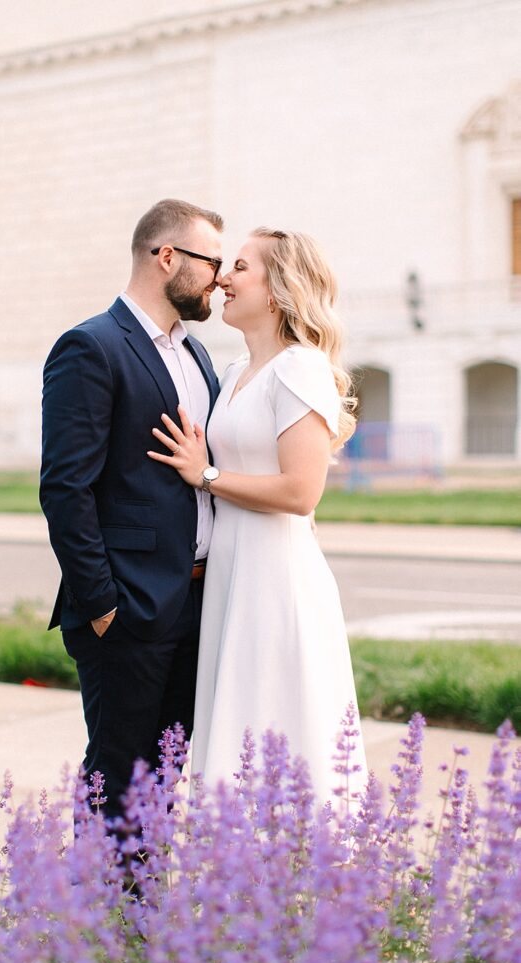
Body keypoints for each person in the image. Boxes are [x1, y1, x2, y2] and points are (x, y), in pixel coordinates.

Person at [148, 228, 368, 803]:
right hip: (232, 568)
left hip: (276, 572)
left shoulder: (299, 368)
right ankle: (239, 872)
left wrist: (208, 475)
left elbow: (302, 491)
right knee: (239, 717)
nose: (222, 277)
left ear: (277, 290)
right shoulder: (235, 369)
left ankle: (303, 870)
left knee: (280, 716)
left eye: (239, 267)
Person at [40, 199, 223, 826]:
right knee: (117, 775)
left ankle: (149, 916)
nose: (220, 278)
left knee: (166, 776)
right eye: (212, 262)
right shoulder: (91, 346)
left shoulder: (197, 357)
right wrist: (101, 606)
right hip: (127, 610)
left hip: (197, 602)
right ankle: (100, 918)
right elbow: (66, 488)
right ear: (166, 256)